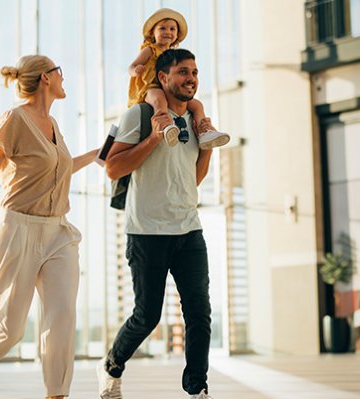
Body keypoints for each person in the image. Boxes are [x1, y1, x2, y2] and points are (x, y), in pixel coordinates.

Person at [0, 54, 98, 399]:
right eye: (59, 73)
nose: (64, 79)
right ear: (45, 78)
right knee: (11, 326)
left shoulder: (54, 126)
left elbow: (57, 171)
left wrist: (95, 155)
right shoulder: (15, 119)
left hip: (58, 233)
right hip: (18, 228)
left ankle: (56, 394)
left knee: (62, 317)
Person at [98, 48, 216, 399]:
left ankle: (197, 387)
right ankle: (112, 366)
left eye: (194, 72)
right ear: (162, 78)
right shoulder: (139, 113)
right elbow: (112, 167)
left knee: (199, 313)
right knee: (147, 316)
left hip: (188, 230)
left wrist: (207, 145)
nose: (191, 78)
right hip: (147, 232)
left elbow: (192, 179)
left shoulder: (196, 122)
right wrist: (152, 137)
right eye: (182, 72)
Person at [128, 8, 229, 150]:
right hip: (151, 87)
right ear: (152, 33)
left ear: (177, 34)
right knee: (159, 100)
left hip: (169, 89)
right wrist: (135, 71)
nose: (168, 32)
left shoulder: (173, 55)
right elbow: (132, 65)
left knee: (197, 105)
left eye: (172, 29)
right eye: (162, 28)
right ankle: (166, 126)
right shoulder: (150, 50)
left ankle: (204, 131)